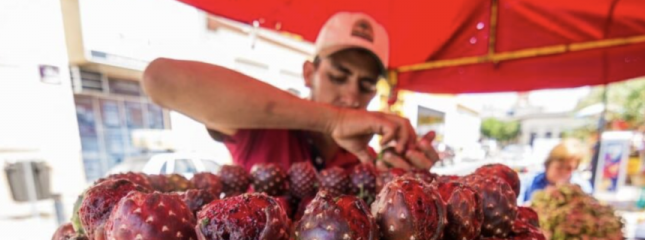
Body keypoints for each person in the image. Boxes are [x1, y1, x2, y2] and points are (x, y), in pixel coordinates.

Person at [142, 12, 438, 173]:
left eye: (365, 85)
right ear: (309, 73)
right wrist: (331, 121)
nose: (350, 96)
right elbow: (160, 79)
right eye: (338, 76)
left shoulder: (366, 162)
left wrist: (405, 186)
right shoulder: (263, 128)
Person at [521, 139, 593, 203]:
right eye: (559, 167)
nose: (563, 172)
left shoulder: (583, 187)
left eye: (569, 168)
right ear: (547, 165)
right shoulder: (528, 182)